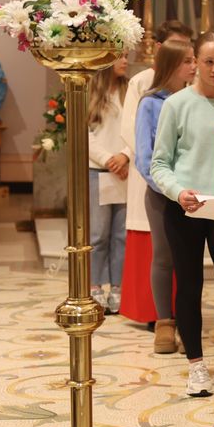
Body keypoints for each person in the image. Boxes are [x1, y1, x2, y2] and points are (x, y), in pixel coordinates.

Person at [150, 33, 214, 397]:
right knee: (189, 286)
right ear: (195, 61)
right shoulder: (176, 104)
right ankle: (197, 366)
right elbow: (159, 163)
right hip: (185, 208)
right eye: (209, 61)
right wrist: (178, 192)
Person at [122, 22, 194, 345]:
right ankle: (165, 324)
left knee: (189, 260)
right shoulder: (150, 102)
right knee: (164, 256)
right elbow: (145, 154)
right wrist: (169, 187)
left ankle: (189, 322)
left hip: (192, 193)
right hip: (162, 194)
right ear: (172, 65)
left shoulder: (194, 99)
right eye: (188, 61)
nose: (194, 67)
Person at [87, 55, 131, 314]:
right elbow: (84, 134)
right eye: (120, 56)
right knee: (98, 234)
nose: (125, 60)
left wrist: (124, 155)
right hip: (99, 171)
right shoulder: (90, 91)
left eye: (126, 55)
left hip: (125, 170)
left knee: (120, 235)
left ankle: (117, 287)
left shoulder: (130, 90)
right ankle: (95, 286)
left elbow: (136, 128)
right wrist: (107, 159)